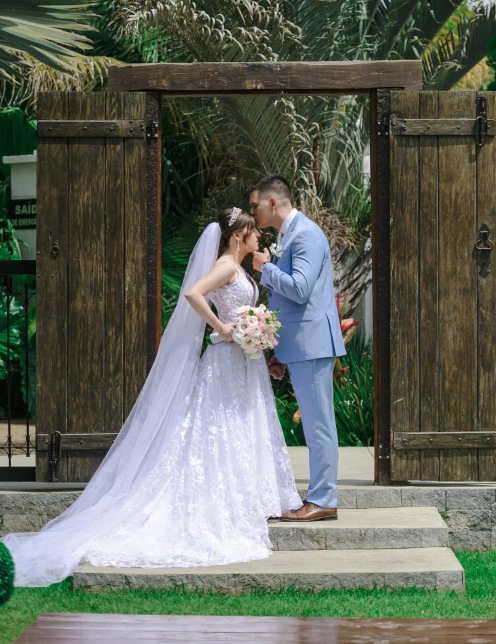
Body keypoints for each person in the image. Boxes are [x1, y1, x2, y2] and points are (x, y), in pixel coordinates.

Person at [1, 209, 301, 587]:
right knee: (219, 428)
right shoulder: (226, 266)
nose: (259, 236)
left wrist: (256, 332)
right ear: (238, 236)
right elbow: (193, 293)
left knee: (240, 425)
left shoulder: (240, 269)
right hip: (226, 361)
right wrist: (224, 327)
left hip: (244, 362)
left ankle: (252, 496)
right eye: (254, 232)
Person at [249, 175, 345, 522]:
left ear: (273, 203)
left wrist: (265, 268)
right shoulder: (286, 235)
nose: (253, 212)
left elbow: (300, 290)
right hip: (302, 345)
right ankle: (319, 496)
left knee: (319, 425)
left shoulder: (304, 234)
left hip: (315, 344)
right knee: (314, 425)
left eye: (255, 205)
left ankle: (323, 499)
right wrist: (281, 351)